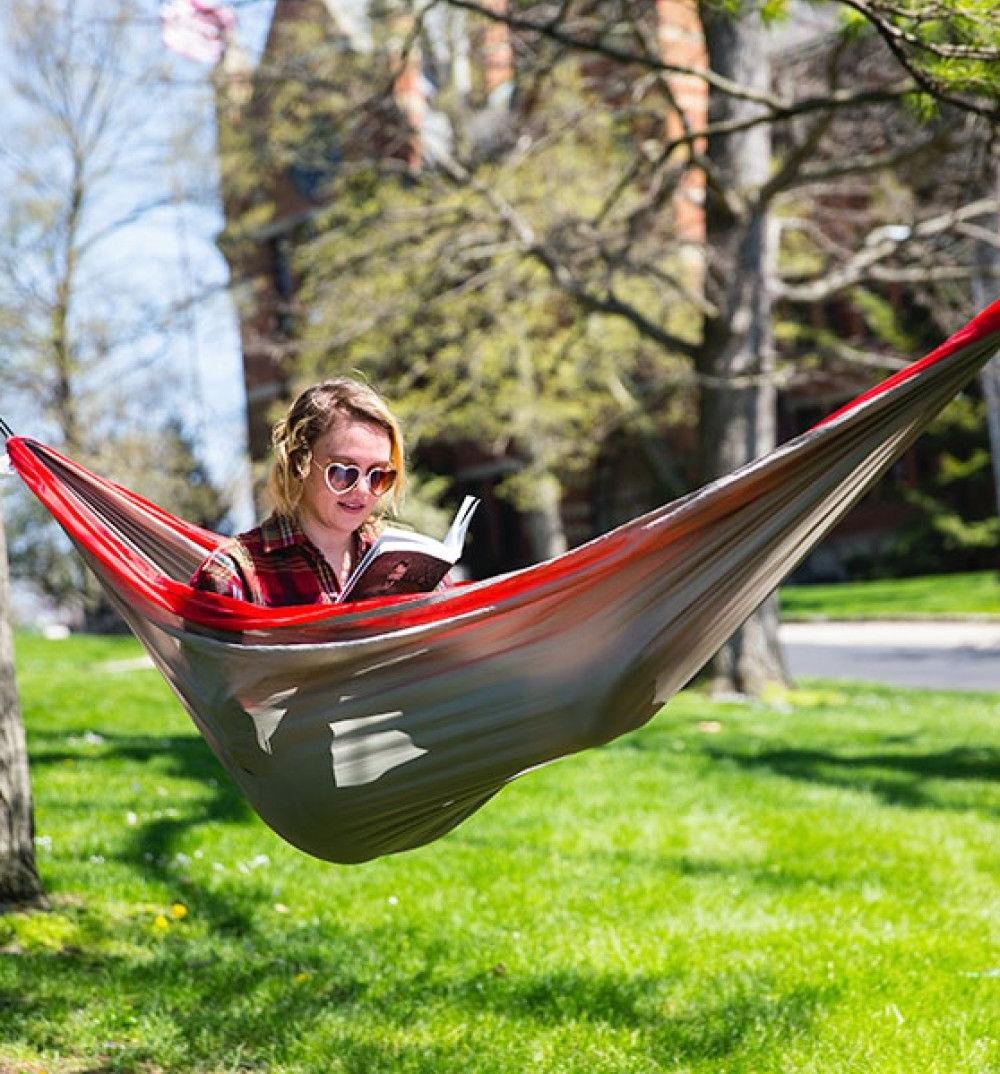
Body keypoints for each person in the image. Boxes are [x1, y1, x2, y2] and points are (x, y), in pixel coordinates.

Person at [191, 378, 405, 606]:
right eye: (343, 472)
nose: (362, 490)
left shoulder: (403, 561)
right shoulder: (235, 576)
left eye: (378, 475)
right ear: (298, 464)